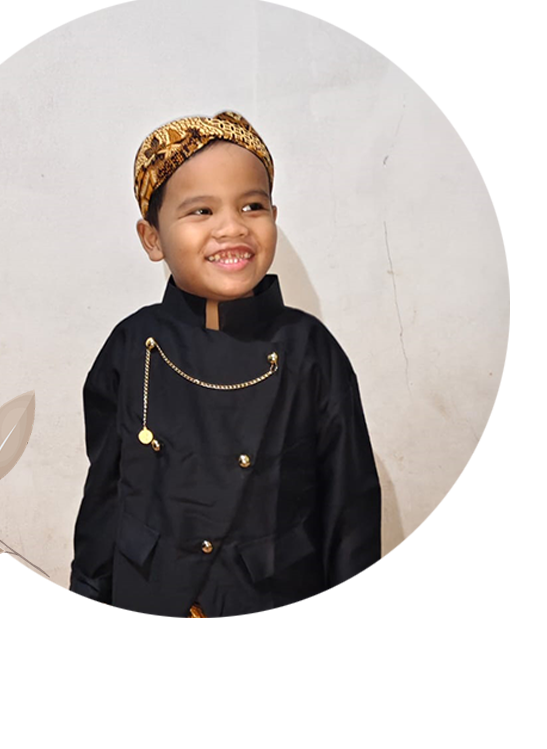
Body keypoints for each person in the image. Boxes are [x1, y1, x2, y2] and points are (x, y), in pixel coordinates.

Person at [69, 110, 381, 617]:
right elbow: (105, 499)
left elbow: (352, 523)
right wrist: (84, 605)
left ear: (274, 216)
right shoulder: (131, 346)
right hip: (152, 602)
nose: (232, 227)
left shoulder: (310, 351)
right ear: (152, 238)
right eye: (201, 211)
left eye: (252, 206)